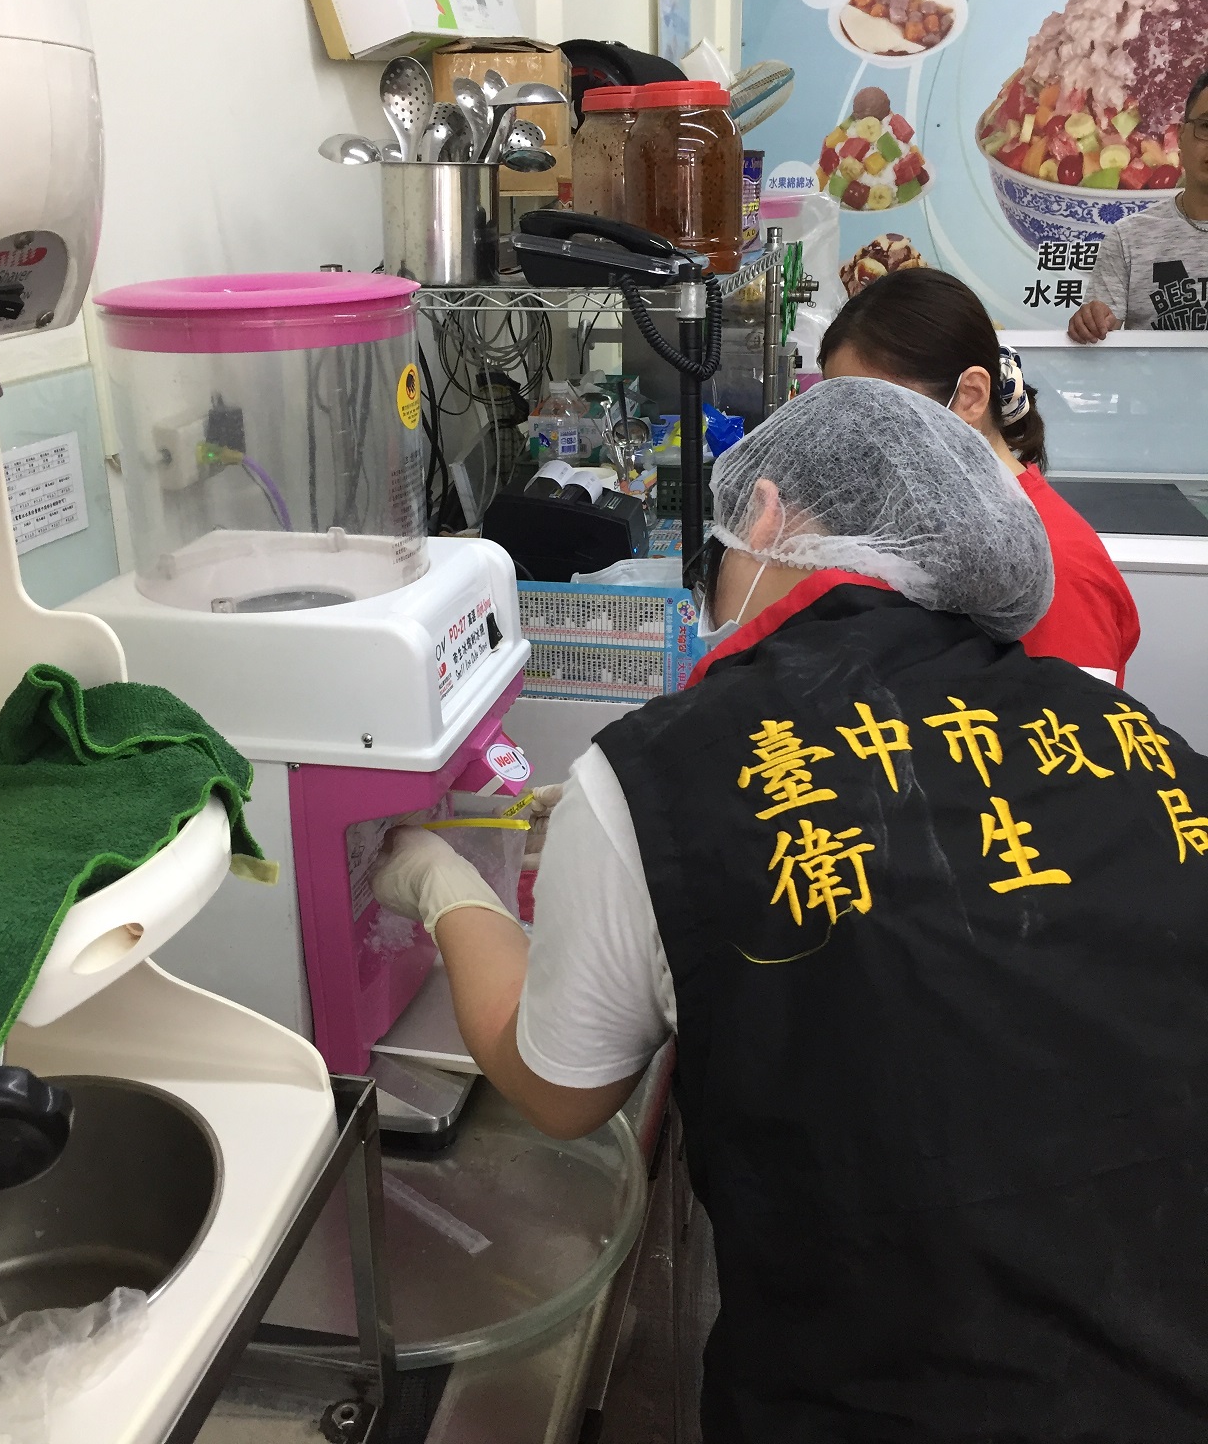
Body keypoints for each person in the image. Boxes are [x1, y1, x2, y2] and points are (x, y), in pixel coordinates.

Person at [374, 379, 1208, 1443]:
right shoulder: (1138, 739)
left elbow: (558, 1088)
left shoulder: (662, 772)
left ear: (764, 514)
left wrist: (441, 884)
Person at [820, 268, 1139, 684]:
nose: (855, 440)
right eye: (838, 414)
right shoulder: (921, 518)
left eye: (879, 413)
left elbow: (1075, 722)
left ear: (970, 396)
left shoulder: (1058, 569)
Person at [1069, 67, 1208, 341]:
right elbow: (1103, 327)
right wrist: (1091, 322)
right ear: (1181, 136)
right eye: (1206, 127)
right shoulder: (1129, 238)